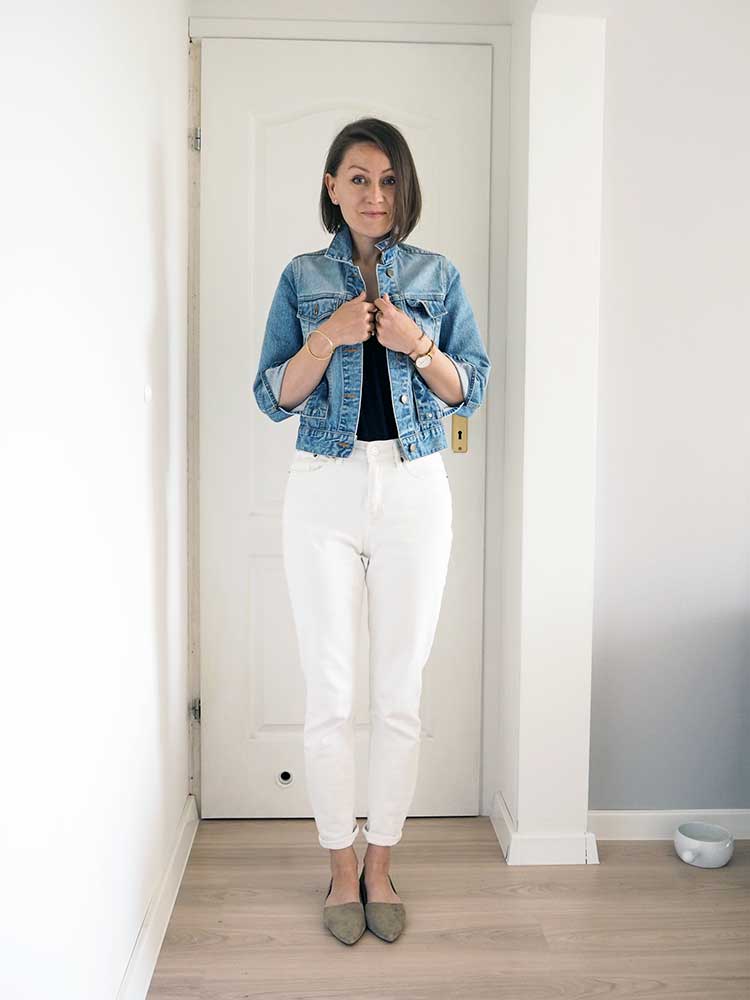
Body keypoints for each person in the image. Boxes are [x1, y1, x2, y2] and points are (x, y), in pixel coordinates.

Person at [252, 117, 491, 944]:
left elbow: (468, 389)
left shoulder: (437, 274)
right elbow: (274, 394)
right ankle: (340, 866)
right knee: (329, 695)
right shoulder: (301, 277)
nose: (375, 195)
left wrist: (415, 341)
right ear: (332, 186)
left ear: (404, 188)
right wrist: (329, 334)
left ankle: (381, 862)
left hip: (416, 487)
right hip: (323, 485)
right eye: (358, 178)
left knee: (398, 695)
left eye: (388, 180)